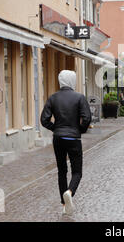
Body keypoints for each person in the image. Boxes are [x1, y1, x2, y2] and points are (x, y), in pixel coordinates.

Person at [40, 70, 92, 216]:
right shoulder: (79, 97)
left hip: (58, 139)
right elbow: (87, 118)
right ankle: (69, 191)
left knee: (62, 171)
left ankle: (64, 204)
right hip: (73, 139)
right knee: (77, 171)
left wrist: (55, 128)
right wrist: (80, 130)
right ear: (73, 81)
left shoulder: (53, 98)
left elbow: (44, 120)